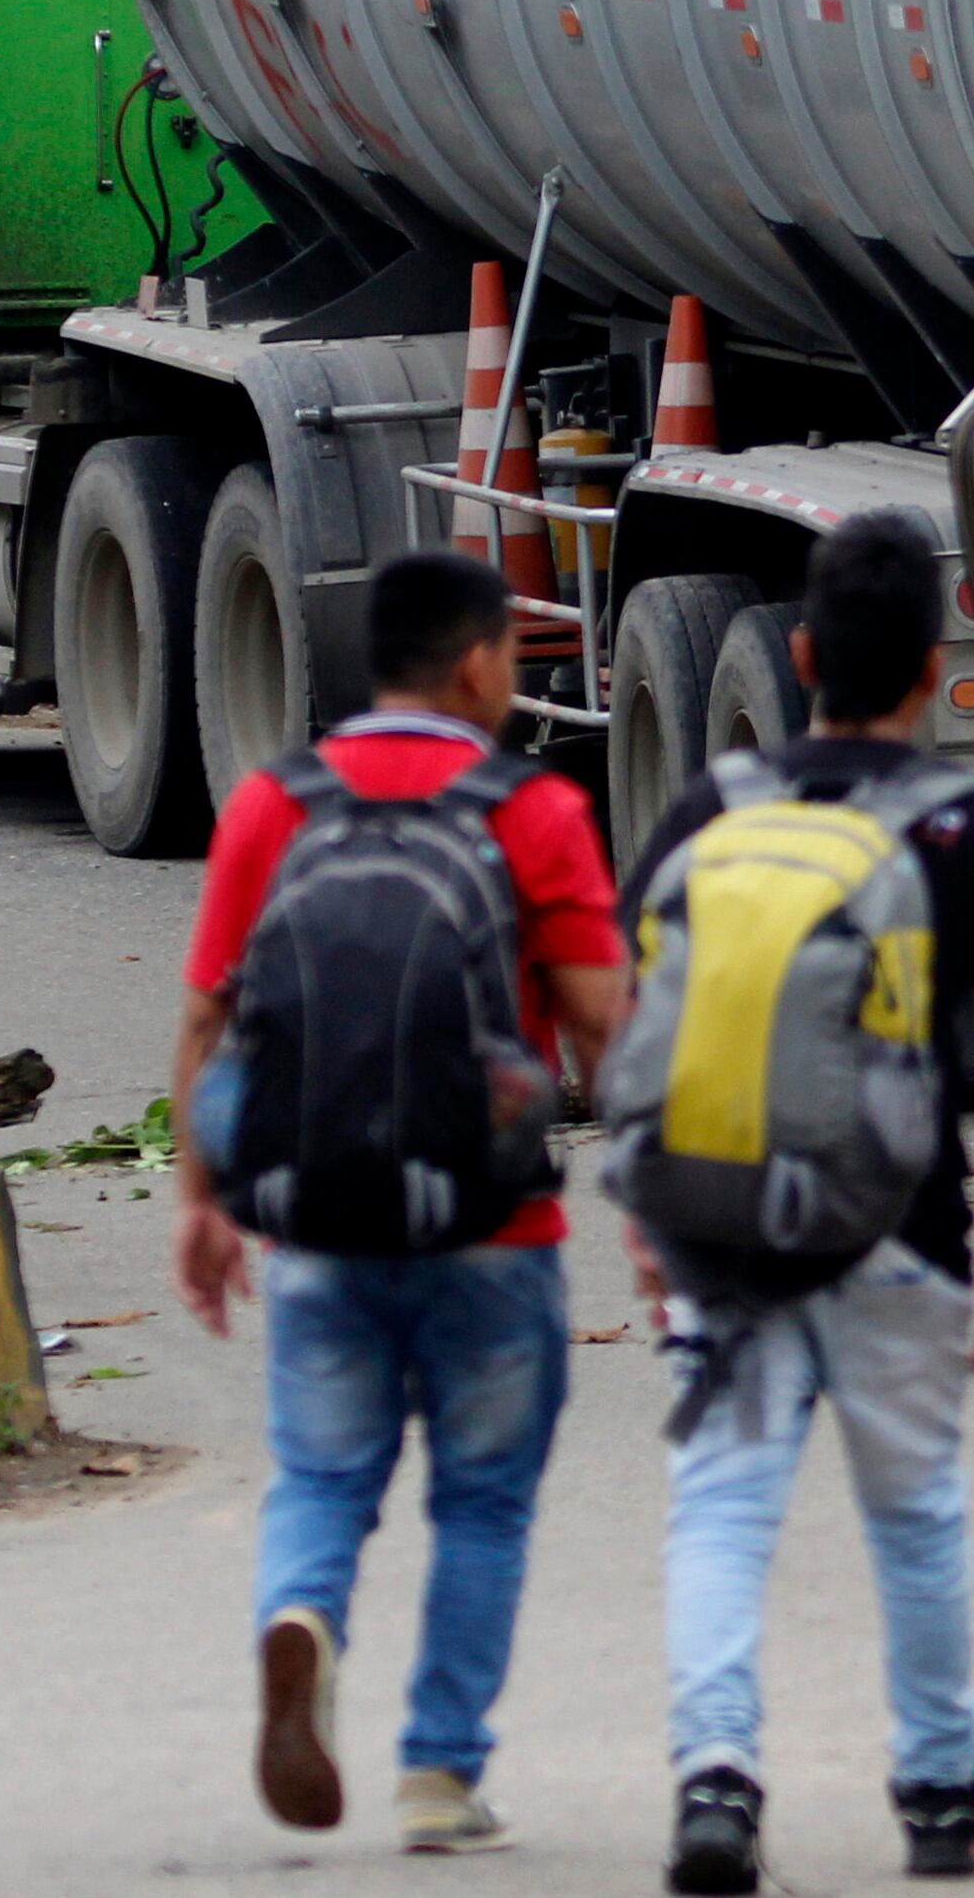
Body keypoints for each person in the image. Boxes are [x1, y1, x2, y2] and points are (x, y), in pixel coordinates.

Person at [622, 510, 974, 1894]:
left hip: (725, 1229)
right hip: (900, 1230)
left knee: (720, 1507)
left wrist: (653, 1217)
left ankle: (714, 1778)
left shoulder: (711, 809)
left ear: (801, 651)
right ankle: (937, 1789)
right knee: (915, 1511)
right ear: (926, 674)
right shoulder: (961, 828)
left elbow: (648, 1018)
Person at [172, 550, 632, 1855]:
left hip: (312, 1220)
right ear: (478, 663)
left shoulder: (274, 802)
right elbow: (601, 1026)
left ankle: (302, 1614)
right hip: (493, 1231)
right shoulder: (530, 806)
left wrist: (201, 1201)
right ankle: (438, 1769)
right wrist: (651, 1195)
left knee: (320, 1475)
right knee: (482, 1500)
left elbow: (210, 1018)